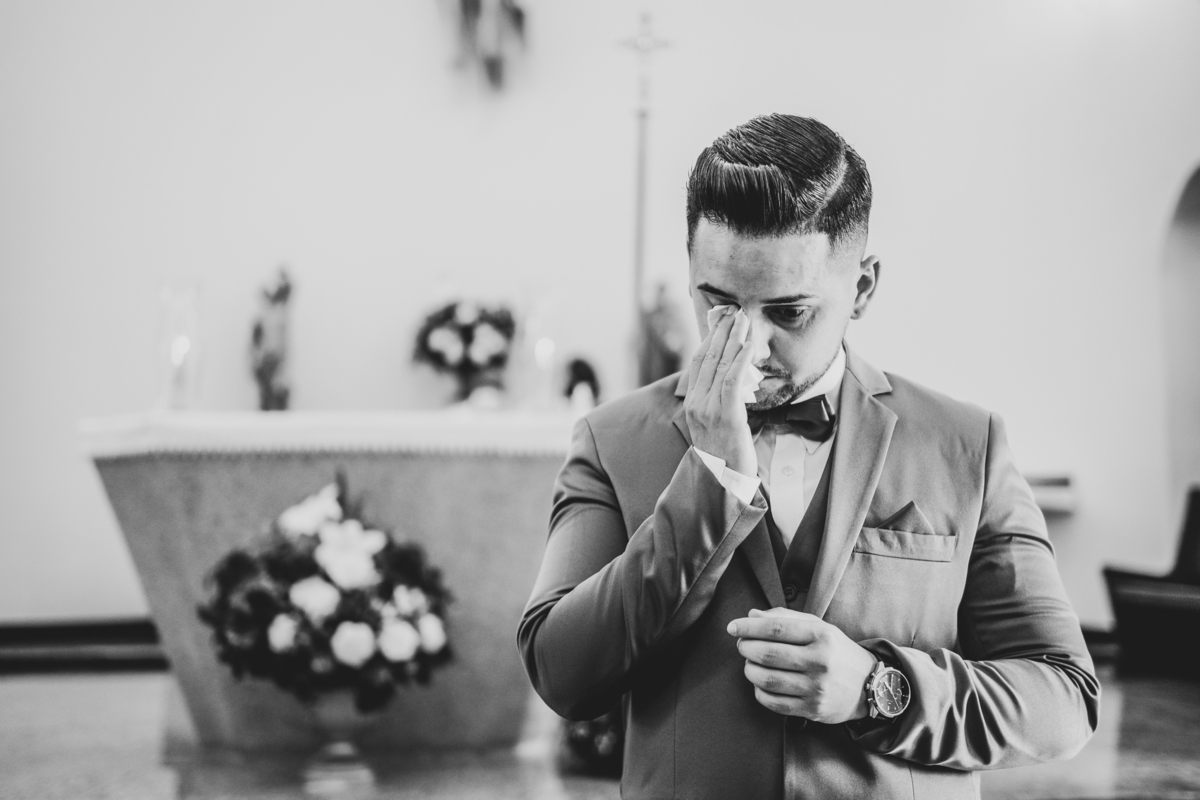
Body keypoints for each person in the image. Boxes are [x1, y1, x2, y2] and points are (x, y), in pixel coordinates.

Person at [518, 114, 1099, 799]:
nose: (751, 348)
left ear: (863, 288)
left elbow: (1064, 698)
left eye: (790, 312)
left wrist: (881, 688)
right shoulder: (612, 439)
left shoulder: (966, 444)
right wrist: (710, 483)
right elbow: (563, 674)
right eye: (720, 304)